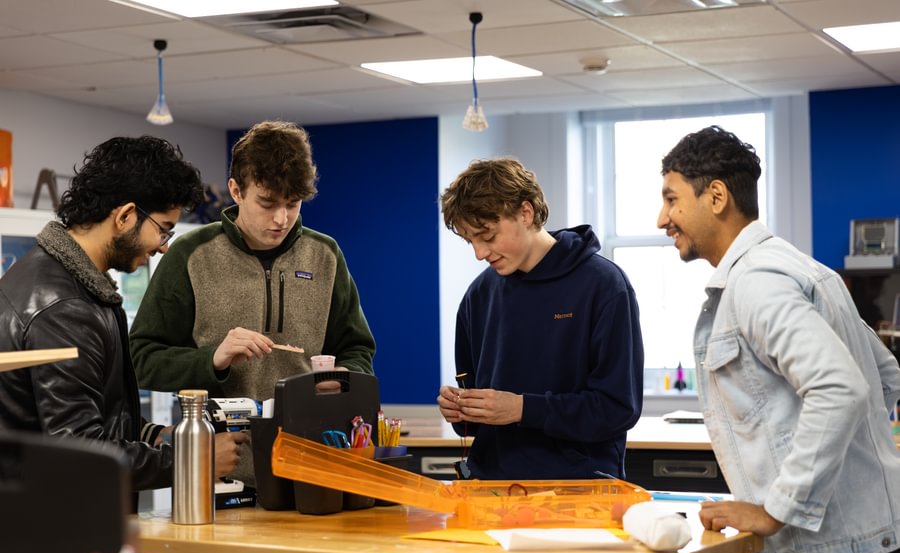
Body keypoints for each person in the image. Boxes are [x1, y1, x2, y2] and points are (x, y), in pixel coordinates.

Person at [657, 125, 900, 553]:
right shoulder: (804, 268)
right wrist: (848, 464)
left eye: (671, 199)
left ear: (717, 197)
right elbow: (884, 376)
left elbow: (840, 389)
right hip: (870, 544)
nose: (662, 218)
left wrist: (776, 509)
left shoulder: (756, 282)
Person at [0, 136, 247, 497]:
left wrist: (154, 435)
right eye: (163, 228)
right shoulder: (64, 308)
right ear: (126, 215)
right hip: (49, 531)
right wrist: (195, 458)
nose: (164, 245)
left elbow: (93, 416)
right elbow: (81, 456)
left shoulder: (57, 280)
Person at [129, 121, 376, 480]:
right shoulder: (190, 254)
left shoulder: (326, 255)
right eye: (267, 203)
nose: (281, 219)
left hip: (313, 466)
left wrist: (344, 380)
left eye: (292, 204)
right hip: (219, 473)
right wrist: (212, 359)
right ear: (236, 190)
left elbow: (358, 350)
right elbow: (140, 359)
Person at [435, 157, 643, 480]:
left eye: (487, 236)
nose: (478, 253)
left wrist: (521, 409)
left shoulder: (604, 286)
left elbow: (617, 408)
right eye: (469, 241)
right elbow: (475, 422)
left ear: (526, 213)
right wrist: (461, 410)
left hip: (579, 493)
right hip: (491, 490)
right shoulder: (479, 296)